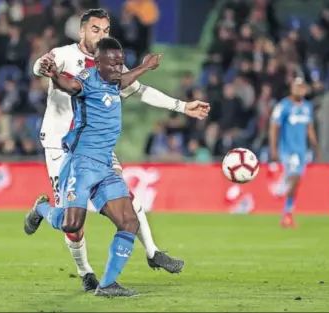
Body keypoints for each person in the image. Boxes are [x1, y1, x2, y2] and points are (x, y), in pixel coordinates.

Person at [30, 8, 210, 290]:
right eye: (95, 30)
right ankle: (85, 271)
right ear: (82, 31)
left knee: (128, 201)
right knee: (72, 224)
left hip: (97, 146)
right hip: (59, 145)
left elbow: (140, 89)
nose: (100, 34)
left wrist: (183, 106)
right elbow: (43, 66)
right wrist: (44, 67)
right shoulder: (65, 55)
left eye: (105, 30)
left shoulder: (110, 64)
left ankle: (152, 252)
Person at [25, 37, 168, 297]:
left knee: (128, 221)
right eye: (112, 63)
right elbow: (70, 86)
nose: (117, 68)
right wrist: (54, 74)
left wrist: (144, 67)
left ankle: (108, 284)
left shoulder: (114, 81)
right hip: (81, 164)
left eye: (121, 63)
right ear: (98, 62)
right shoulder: (86, 79)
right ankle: (42, 208)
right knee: (72, 225)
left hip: (105, 163)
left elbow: (125, 80)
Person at [269, 77, 321, 228]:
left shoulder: (308, 107)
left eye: (303, 87)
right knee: (295, 177)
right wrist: (273, 149)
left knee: (296, 182)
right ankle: (284, 194)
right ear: (292, 88)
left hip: (301, 151)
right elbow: (274, 127)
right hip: (287, 149)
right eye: (297, 87)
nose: (300, 90)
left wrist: (316, 147)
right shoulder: (283, 106)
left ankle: (287, 213)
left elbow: (309, 128)